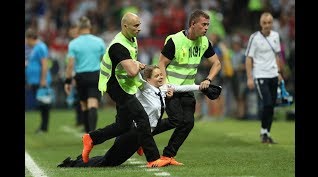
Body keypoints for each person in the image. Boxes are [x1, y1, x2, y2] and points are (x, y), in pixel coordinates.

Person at [57, 65, 221, 167]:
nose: (161, 77)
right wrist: (135, 66)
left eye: (161, 75)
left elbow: (182, 88)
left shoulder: (163, 89)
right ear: (148, 79)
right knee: (109, 162)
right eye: (156, 76)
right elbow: (134, 75)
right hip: (133, 132)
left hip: (146, 131)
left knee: (175, 120)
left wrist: (202, 87)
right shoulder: (143, 88)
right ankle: (75, 163)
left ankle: (144, 145)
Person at [81, 12, 170, 168]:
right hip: (115, 85)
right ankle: (153, 158)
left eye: (139, 25)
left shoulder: (131, 38)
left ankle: (91, 138)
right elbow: (131, 71)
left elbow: (131, 64)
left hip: (125, 84)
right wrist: (136, 65)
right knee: (142, 117)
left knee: (123, 125)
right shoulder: (117, 46)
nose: (139, 28)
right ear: (125, 26)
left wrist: (135, 63)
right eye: (136, 25)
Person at [157, 9, 221, 164]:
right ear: (193, 24)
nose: (207, 28)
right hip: (171, 88)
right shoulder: (175, 40)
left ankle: (167, 155)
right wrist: (165, 86)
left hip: (187, 89)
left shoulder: (205, 42)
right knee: (176, 119)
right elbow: (161, 63)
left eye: (208, 25)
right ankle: (143, 134)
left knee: (188, 123)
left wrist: (208, 79)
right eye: (204, 24)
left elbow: (217, 64)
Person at [245, 12, 283, 144]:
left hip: (273, 74)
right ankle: (263, 132)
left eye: (269, 23)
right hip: (260, 75)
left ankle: (266, 133)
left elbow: (277, 55)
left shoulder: (276, 36)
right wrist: (249, 77)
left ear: (272, 23)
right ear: (260, 24)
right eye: (264, 23)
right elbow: (249, 58)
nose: (267, 25)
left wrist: (278, 71)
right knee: (267, 103)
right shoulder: (254, 37)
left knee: (271, 105)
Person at [64, 16, 106, 133]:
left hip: (81, 77)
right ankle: (93, 133)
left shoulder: (73, 44)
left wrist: (67, 81)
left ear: (79, 28)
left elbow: (70, 65)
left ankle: (88, 134)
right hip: (95, 75)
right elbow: (105, 62)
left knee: (84, 106)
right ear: (90, 27)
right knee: (93, 104)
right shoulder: (99, 41)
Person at [25, 28, 53, 134]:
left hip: (41, 81)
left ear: (30, 38)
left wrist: (42, 80)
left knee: (44, 104)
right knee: (41, 104)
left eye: (27, 40)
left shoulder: (41, 47)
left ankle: (44, 127)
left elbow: (44, 64)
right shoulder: (36, 48)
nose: (26, 42)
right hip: (35, 80)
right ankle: (42, 127)